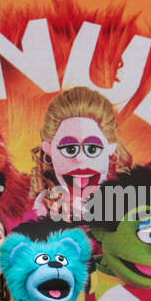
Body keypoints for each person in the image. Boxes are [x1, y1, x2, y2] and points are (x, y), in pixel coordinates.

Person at [27, 87, 132, 222]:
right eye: (70, 149)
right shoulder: (36, 209)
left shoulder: (133, 206)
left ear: (111, 149)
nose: (80, 159)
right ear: (49, 151)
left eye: (92, 149)